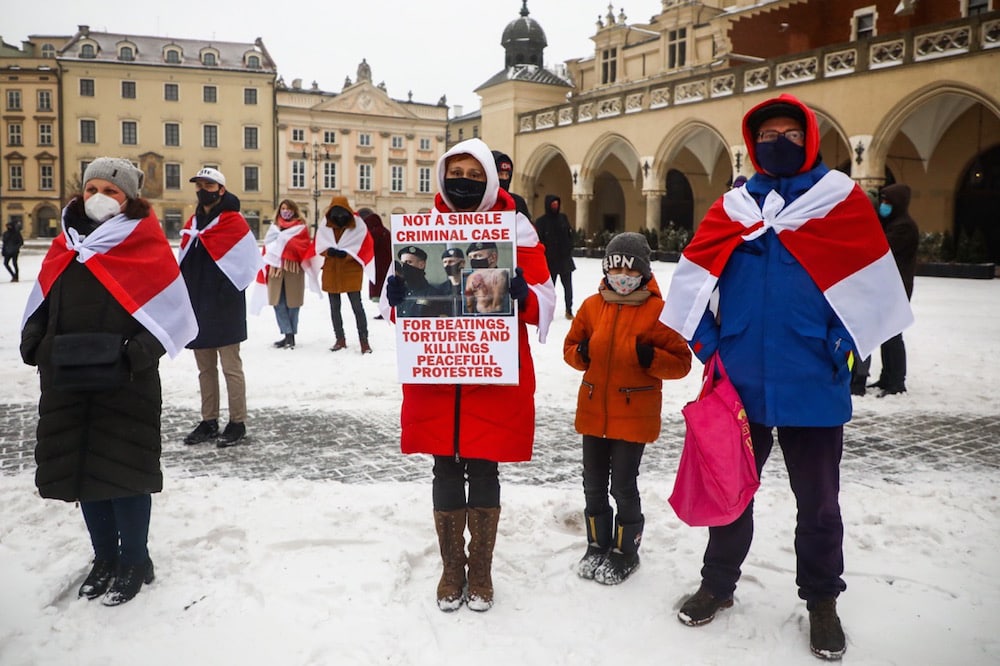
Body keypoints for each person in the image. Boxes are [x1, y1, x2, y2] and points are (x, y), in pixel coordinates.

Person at [661, 93, 913, 661]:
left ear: (809, 139)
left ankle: (822, 600)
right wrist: (712, 348)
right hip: (742, 386)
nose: (780, 142)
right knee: (732, 494)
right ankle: (718, 584)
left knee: (819, 504)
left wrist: (842, 348)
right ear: (753, 143)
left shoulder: (839, 201)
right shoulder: (732, 210)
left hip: (814, 386)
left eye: (791, 135)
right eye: (769, 134)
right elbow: (689, 286)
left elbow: (873, 290)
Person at [385, 137, 556, 612]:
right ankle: (451, 567)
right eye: (455, 173)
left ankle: (480, 569)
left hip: (493, 372)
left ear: (490, 178)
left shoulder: (516, 229)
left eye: (474, 174)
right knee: (444, 465)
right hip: (438, 372)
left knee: (484, 465)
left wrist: (525, 294)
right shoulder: (426, 226)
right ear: (442, 176)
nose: (463, 182)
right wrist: (396, 293)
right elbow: (396, 308)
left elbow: (545, 301)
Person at [19, 157, 197, 606]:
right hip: (66, 376)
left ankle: (135, 559)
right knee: (84, 473)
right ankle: (104, 558)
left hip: (125, 382)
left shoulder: (147, 245)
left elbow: (173, 314)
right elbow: (43, 301)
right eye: (92, 187)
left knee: (126, 476)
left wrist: (133, 354)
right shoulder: (67, 245)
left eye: (111, 191)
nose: (99, 197)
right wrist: (34, 340)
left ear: (129, 198)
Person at [563, 232, 691, 585]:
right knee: (592, 485)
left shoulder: (659, 313)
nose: (622, 276)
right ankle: (597, 544)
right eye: (615, 268)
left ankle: (625, 550)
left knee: (622, 486)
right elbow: (570, 347)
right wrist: (581, 354)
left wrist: (651, 358)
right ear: (606, 270)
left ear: (643, 273)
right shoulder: (592, 306)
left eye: (629, 270)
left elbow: (681, 362)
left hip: (633, 415)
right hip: (593, 412)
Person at [179, 167, 261, 447]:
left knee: (230, 367)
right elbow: (185, 259)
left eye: (209, 185)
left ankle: (237, 422)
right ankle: (209, 420)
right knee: (205, 369)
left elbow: (247, 262)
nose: (204, 189)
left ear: (221, 190)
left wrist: (225, 290)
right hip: (198, 305)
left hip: (226, 306)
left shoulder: (233, 221)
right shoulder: (193, 222)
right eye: (200, 184)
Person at [868, 183, 919, 397]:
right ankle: (887, 376)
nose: (884, 205)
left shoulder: (904, 226)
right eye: (883, 201)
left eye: (888, 201)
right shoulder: (892, 222)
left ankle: (897, 380)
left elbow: (882, 248)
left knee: (893, 335)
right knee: (886, 334)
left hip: (896, 287)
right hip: (887, 286)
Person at [315, 195, 375, 353]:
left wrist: (347, 254)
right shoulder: (325, 226)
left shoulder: (358, 226)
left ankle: (364, 341)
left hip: (351, 271)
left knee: (357, 306)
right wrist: (330, 251)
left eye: (342, 213)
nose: (339, 217)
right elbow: (319, 245)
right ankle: (339, 339)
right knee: (334, 308)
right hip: (332, 271)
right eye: (336, 213)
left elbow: (364, 246)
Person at [260, 199, 315, 349]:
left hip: (293, 268)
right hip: (275, 268)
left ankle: (291, 335)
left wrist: (286, 244)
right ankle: (287, 333)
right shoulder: (274, 227)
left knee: (293, 303)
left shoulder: (300, 228)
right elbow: (268, 245)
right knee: (278, 302)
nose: (286, 211)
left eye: (289, 208)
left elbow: (303, 246)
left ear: (294, 210)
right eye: (283, 208)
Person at [535, 194, 576, 319]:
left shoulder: (563, 218)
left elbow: (570, 235)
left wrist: (568, 248)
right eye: (553, 204)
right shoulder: (541, 222)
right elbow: (539, 240)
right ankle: (547, 311)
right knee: (549, 289)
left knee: (568, 287)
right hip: (550, 261)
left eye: (557, 204)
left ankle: (569, 309)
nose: (555, 206)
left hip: (564, 260)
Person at [359, 208, 392, 313]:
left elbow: (370, 247)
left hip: (378, 264)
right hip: (387, 263)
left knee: (380, 288)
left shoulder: (374, 233)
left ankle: (383, 311)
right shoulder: (385, 231)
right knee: (385, 287)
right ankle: (385, 310)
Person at [492, 150, 531, 221]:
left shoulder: (518, 202)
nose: (504, 178)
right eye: (500, 174)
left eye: (507, 175)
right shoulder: (482, 203)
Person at [440, 247, 466, 316]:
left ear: (462, 263)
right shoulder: (440, 290)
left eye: (451, 261)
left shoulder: (470, 286)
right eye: (445, 262)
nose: (447, 265)